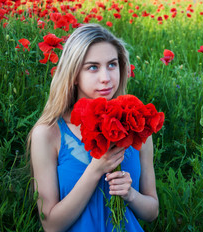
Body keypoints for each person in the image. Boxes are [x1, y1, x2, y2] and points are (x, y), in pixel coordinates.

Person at [27, 23, 159, 232]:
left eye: (112, 64)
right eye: (93, 67)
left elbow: (152, 211)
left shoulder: (137, 127)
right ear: (74, 75)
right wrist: (95, 170)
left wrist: (131, 195)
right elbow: (51, 225)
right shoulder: (48, 134)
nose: (106, 77)